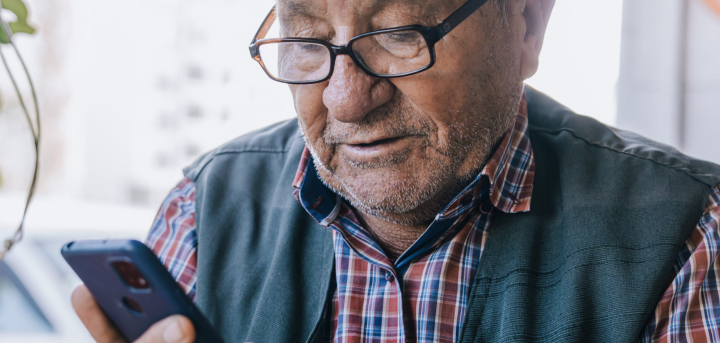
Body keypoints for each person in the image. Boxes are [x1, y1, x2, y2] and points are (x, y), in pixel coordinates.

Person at [71, 0, 720, 341]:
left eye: (401, 33)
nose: (345, 98)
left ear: (526, 25)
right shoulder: (204, 210)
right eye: (305, 42)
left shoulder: (687, 232)